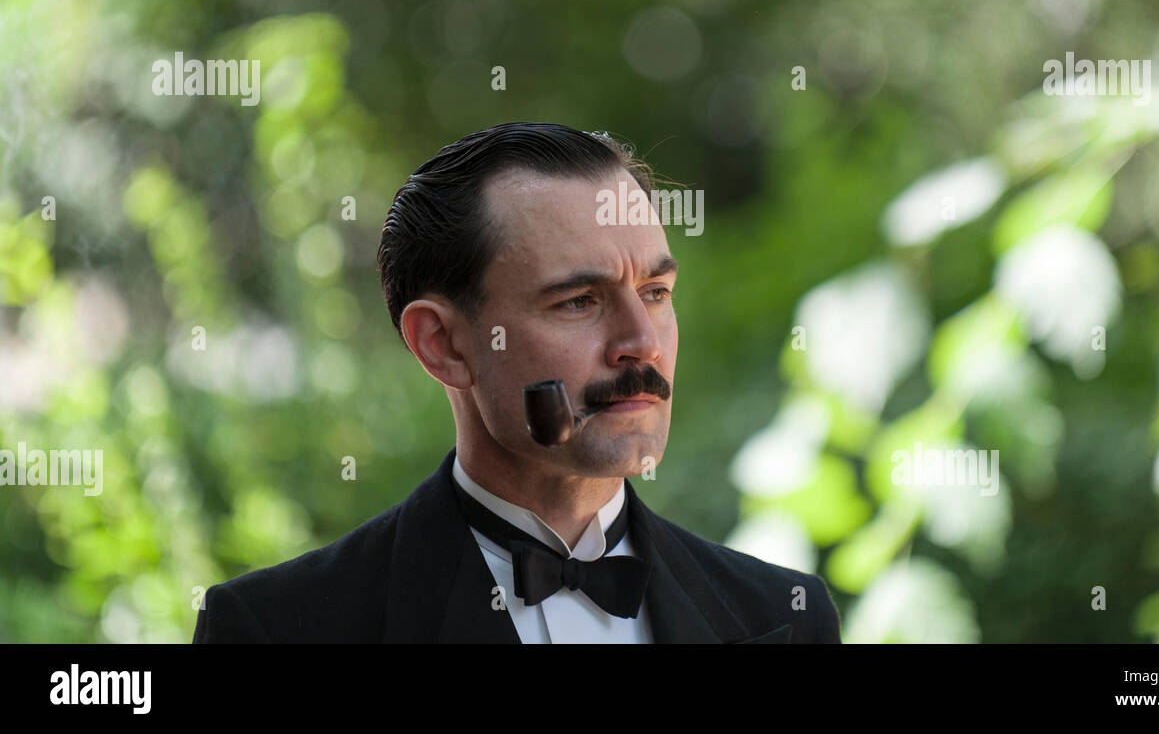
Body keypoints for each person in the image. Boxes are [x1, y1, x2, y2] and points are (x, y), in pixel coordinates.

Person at [193, 122, 842, 643]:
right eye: (579, 301)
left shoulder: (786, 615)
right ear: (442, 344)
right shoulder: (273, 628)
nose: (641, 341)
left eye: (655, 291)